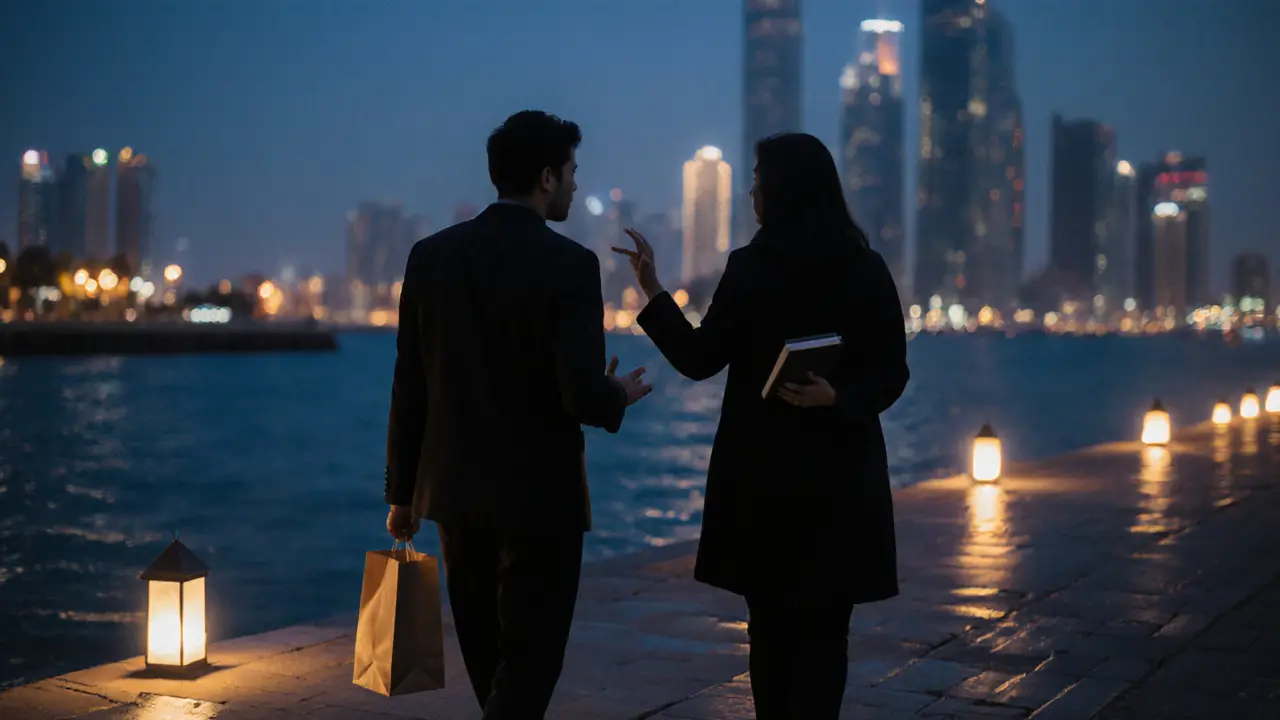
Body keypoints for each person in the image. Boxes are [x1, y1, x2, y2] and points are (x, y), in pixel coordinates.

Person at [613, 132, 908, 719]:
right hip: (840, 482)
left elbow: (698, 360)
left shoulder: (752, 266)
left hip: (763, 482)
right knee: (828, 634)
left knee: (770, 632)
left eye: (758, 180)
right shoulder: (864, 266)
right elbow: (893, 373)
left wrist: (652, 292)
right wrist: (840, 398)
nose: (751, 191)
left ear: (782, 190)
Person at [384, 110, 652, 718]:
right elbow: (581, 397)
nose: (578, 185)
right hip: (541, 500)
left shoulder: (429, 257)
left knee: (489, 661)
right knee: (530, 663)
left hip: (452, 495)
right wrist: (618, 396)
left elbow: (411, 384)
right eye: (573, 171)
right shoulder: (571, 266)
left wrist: (401, 494)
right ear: (547, 177)